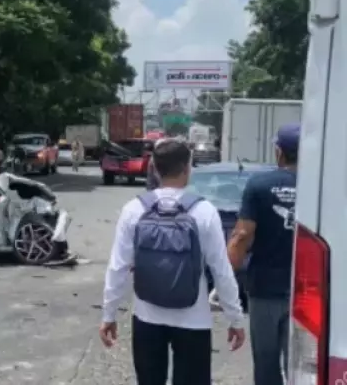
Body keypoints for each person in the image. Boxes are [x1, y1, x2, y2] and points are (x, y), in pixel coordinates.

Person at [100, 138, 245, 385]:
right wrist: (235, 318)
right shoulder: (204, 211)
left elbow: (118, 267)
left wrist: (109, 314)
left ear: (154, 168)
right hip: (193, 319)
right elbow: (221, 271)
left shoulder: (134, 209)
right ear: (188, 169)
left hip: (147, 316)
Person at [227, 123, 299, 385]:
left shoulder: (259, 185)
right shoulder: (322, 186)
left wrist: (224, 281)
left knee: (266, 362)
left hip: (265, 289)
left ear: (279, 152)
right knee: (303, 363)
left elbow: (242, 236)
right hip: (308, 291)